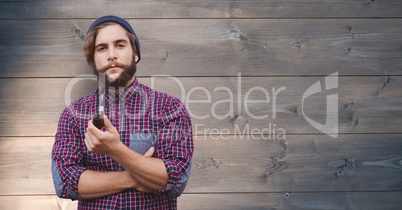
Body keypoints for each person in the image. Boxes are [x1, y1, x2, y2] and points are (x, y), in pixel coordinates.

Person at [52, 15, 194, 209]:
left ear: (135, 53)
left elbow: (174, 179)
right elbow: (67, 183)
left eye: (120, 45)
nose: (111, 55)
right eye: (102, 48)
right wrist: (136, 177)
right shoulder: (73, 114)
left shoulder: (169, 108)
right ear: (93, 59)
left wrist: (115, 150)